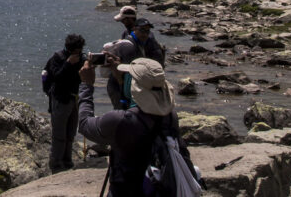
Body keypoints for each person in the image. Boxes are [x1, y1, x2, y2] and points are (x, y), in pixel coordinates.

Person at [78, 58, 192, 196]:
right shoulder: (170, 116)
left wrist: (86, 85)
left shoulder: (120, 121)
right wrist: (121, 82)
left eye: (129, 78)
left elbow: (84, 124)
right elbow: (139, 110)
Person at [106, 7, 166, 110]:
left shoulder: (149, 41)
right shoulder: (126, 36)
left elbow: (158, 63)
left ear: (131, 21)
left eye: (146, 31)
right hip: (128, 80)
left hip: (136, 80)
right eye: (142, 30)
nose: (145, 34)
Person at [44, 34, 86, 173]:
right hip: (60, 99)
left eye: (80, 50)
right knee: (59, 134)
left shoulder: (81, 58)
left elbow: (82, 78)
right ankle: (56, 164)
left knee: (71, 133)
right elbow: (57, 77)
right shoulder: (58, 58)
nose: (78, 53)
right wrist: (68, 63)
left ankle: (67, 161)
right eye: (76, 50)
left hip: (74, 99)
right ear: (69, 49)